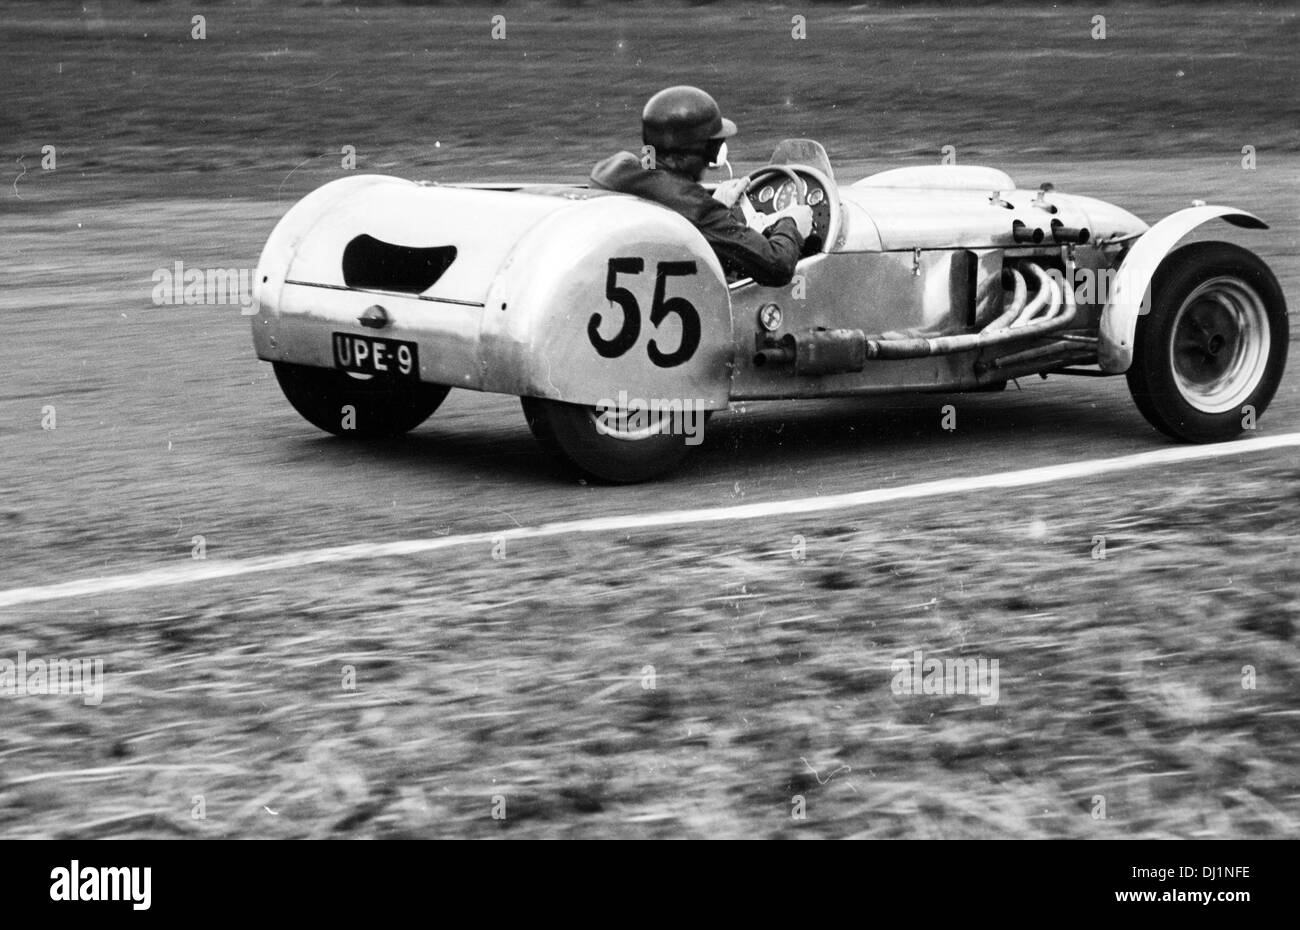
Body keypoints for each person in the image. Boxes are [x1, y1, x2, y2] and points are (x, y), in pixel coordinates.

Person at [590, 86, 813, 287]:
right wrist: (791, 223)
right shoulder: (698, 208)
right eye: (714, 144)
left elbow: (673, 202)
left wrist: (716, 205)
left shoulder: (612, 171)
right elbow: (778, 266)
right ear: (707, 150)